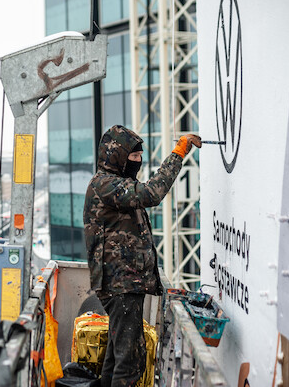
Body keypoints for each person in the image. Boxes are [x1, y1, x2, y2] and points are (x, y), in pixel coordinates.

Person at [83, 125, 201, 387]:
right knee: (131, 362)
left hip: (122, 283)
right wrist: (179, 152)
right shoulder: (107, 185)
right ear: (117, 157)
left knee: (117, 357)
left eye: (138, 156)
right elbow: (153, 193)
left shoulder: (115, 184)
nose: (138, 161)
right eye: (133, 156)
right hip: (120, 284)